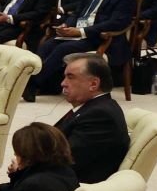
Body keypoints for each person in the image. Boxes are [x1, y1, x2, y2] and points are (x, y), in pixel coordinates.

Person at [28, 0, 135, 98]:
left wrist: (82, 31)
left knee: (63, 49)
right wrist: (67, 25)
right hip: (78, 32)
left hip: (100, 37)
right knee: (47, 45)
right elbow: (78, 13)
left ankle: (32, 84)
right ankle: (46, 84)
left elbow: (116, 23)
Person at [52, 54, 128, 183]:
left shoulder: (101, 116)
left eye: (70, 77)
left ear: (93, 84)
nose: (63, 83)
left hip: (67, 190)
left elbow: (66, 160)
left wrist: (25, 164)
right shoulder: (91, 107)